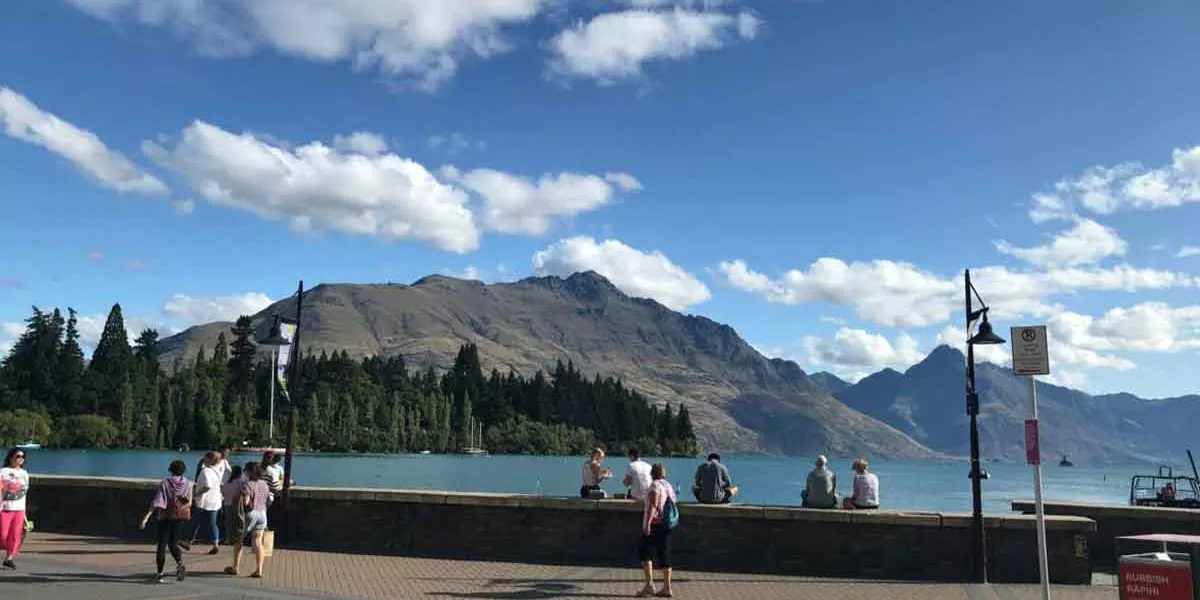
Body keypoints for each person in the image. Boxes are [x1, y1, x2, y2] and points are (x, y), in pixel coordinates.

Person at [140, 460, 192, 583]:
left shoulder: (165, 483)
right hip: (179, 517)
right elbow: (189, 502)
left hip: (165, 517)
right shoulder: (189, 484)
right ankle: (180, 563)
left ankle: (160, 574)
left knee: (162, 546)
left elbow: (157, 502)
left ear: (170, 470)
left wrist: (146, 517)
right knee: (173, 544)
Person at [638, 463, 677, 598]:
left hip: (655, 524)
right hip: (667, 525)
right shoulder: (668, 486)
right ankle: (667, 587)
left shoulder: (655, 486)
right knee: (664, 554)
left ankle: (650, 585)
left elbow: (653, 506)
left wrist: (647, 524)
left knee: (645, 553)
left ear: (652, 474)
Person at [227, 462, 270, 578]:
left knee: (239, 539)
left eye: (246, 470)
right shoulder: (264, 484)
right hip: (262, 514)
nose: (244, 472)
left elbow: (246, 502)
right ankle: (259, 570)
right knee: (258, 542)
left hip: (250, 514)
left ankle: (235, 567)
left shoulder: (247, 484)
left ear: (250, 472)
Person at [185, 452, 223, 554]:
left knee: (195, 522)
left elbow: (207, 486)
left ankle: (188, 542)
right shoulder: (217, 470)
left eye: (205, 458)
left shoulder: (205, 471)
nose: (203, 460)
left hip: (204, 501)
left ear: (209, 460)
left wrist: (197, 493)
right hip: (215, 501)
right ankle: (215, 545)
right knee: (212, 524)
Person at [0, 448, 30, 570]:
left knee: (15, 535)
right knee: (3, 535)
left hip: (19, 508)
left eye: (22, 457)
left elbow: (25, 493)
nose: (20, 459)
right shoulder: (3, 472)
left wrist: (25, 515)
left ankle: (9, 558)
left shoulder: (24, 474)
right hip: (4, 508)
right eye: (17, 456)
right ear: (11, 457)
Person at [220, 465, 245, 547]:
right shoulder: (241, 482)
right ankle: (237, 539)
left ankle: (228, 539)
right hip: (237, 505)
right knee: (238, 522)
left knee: (228, 523)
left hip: (227, 503)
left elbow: (223, 492)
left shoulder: (228, 482)